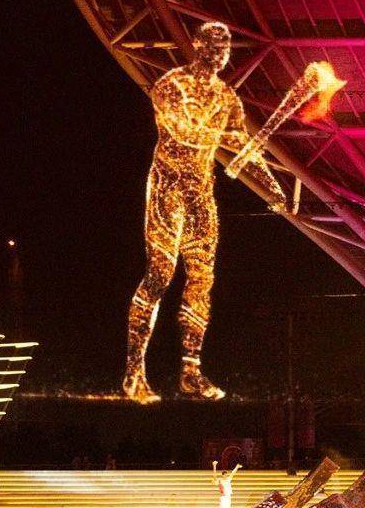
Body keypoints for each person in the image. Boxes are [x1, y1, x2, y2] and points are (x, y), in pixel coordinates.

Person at [122, 22, 287, 404]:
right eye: (212, 45)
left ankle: (190, 371)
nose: (218, 54)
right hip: (167, 187)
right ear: (197, 46)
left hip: (201, 193)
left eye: (224, 48)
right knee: (160, 275)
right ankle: (134, 371)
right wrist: (217, 136)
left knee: (201, 280)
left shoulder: (227, 99)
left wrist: (272, 185)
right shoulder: (171, 85)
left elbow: (243, 145)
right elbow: (179, 131)